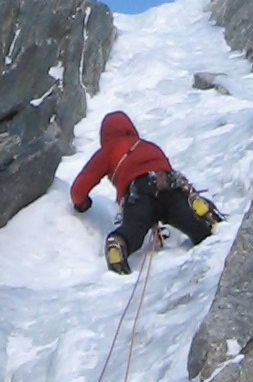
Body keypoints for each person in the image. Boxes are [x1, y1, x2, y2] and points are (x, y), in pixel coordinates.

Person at [69, 111, 221, 274]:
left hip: (139, 192)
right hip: (168, 183)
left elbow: (78, 189)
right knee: (187, 217)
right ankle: (201, 215)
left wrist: (82, 204)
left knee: (134, 228)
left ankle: (119, 243)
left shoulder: (109, 150)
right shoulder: (148, 145)